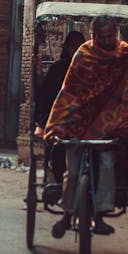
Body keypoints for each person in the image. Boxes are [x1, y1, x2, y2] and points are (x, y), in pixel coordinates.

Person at [44, 14, 128, 238]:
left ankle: (100, 215)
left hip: (108, 126)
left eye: (112, 35)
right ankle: (65, 216)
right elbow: (70, 91)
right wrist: (58, 124)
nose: (109, 40)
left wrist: (122, 123)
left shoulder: (123, 55)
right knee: (72, 172)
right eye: (104, 37)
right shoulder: (83, 55)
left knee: (108, 164)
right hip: (78, 123)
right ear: (94, 37)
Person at [34, 30, 85, 198]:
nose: (76, 50)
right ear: (67, 48)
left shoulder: (91, 69)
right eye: (72, 46)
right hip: (61, 119)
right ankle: (56, 178)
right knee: (58, 147)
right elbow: (44, 95)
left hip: (86, 120)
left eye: (80, 46)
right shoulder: (58, 69)